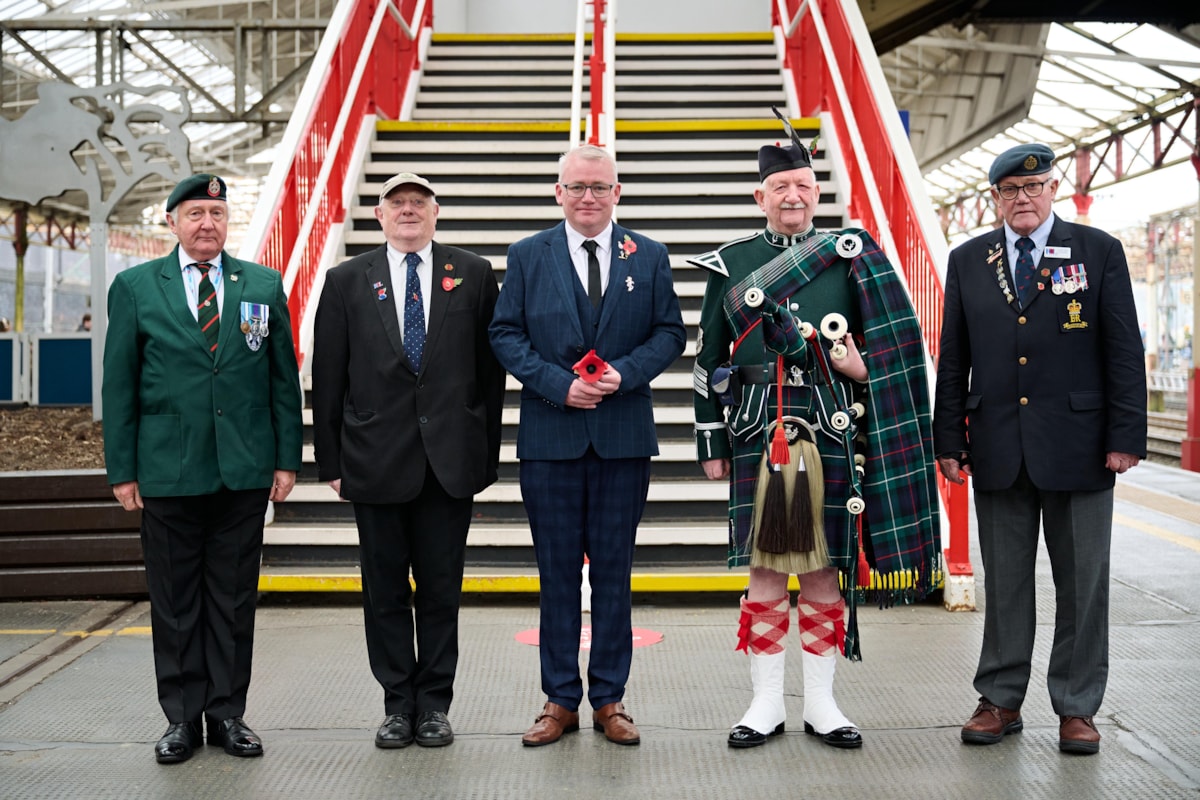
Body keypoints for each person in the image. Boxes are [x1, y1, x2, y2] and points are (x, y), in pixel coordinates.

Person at [692, 136, 940, 749]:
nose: (793, 195)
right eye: (780, 187)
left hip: (829, 421)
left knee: (826, 570)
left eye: (802, 184)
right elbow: (706, 358)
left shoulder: (851, 258)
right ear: (760, 196)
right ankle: (766, 701)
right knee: (765, 569)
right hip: (757, 424)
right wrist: (710, 439)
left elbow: (888, 350)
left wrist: (860, 371)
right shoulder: (732, 262)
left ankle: (824, 704)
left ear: (817, 192)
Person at [934, 143, 1146, 755]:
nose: (1022, 200)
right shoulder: (969, 259)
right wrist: (949, 436)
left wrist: (1124, 436)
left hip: (1082, 447)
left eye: (1033, 189)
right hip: (998, 443)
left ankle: (1077, 708)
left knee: (1083, 583)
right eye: (1009, 191)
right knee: (1004, 582)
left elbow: (1122, 348)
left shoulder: (1097, 251)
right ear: (994, 198)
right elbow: (955, 358)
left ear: (1053, 190)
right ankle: (1000, 699)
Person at [102, 173, 303, 764]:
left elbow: (281, 381)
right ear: (171, 222)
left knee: (234, 599)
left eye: (216, 212)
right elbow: (120, 385)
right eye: (194, 213)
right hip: (166, 471)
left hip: (243, 471)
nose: (206, 223)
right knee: (174, 601)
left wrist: (285, 459)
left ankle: (228, 715)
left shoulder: (261, 285)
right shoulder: (137, 287)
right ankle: (182, 719)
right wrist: (123, 469)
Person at [489, 144, 686, 747]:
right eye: (576, 186)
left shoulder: (648, 257)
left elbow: (671, 332)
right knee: (555, 577)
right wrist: (557, 385)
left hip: (622, 440)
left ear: (617, 193)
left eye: (600, 186)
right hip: (551, 439)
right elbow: (504, 332)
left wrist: (624, 373)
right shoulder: (527, 256)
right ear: (558, 193)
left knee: (614, 575)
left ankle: (610, 698)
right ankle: (558, 699)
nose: (588, 197)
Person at [311, 171, 504, 750]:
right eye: (398, 203)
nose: (409, 211)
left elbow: (489, 374)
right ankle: (397, 704)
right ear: (379, 213)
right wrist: (331, 462)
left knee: (443, 590)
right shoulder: (346, 280)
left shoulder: (471, 274)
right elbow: (328, 377)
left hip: (448, 465)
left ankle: (435, 706)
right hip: (374, 463)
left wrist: (482, 454)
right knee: (386, 591)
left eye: (419, 202)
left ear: (436, 211)